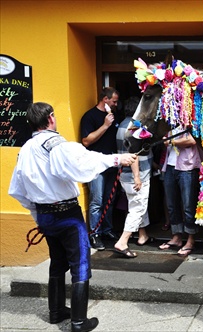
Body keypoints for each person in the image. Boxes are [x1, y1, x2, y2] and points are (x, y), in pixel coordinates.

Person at [8, 102, 136, 332]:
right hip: (67, 215)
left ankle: (56, 312)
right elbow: (83, 161)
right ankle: (79, 322)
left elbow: (18, 190)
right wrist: (117, 159)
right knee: (80, 264)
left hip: (45, 215)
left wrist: (38, 215)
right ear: (50, 118)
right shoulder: (55, 144)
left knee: (58, 262)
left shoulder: (25, 148)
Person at [113, 96, 155, 258]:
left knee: (136, 205)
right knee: (137, 209)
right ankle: (123, 241)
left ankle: (142, 235)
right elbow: (133, 154)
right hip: (136, 176)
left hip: (125, 175)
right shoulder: (133, 128)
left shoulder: (122, 126)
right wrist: (137, 176)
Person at [80, 87, 120, 250]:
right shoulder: (90, 116)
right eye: (114, 101)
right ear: (105, 99)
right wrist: (105, 125)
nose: (116, 104)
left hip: (111, 163)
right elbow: (86, 141)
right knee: (97, 201)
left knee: (109, 200)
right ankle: (94, 234)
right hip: (95, 165)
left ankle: (107, 230)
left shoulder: (113, 116)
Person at [158, 126, 202, 256]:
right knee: (172, 204)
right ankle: (176, 237)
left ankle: (190, 239)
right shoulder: (171, 122)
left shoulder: (191, 119)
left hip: (187, 167)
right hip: (170, 167)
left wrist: (171, 141)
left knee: (188, 205)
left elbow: (192, 140)